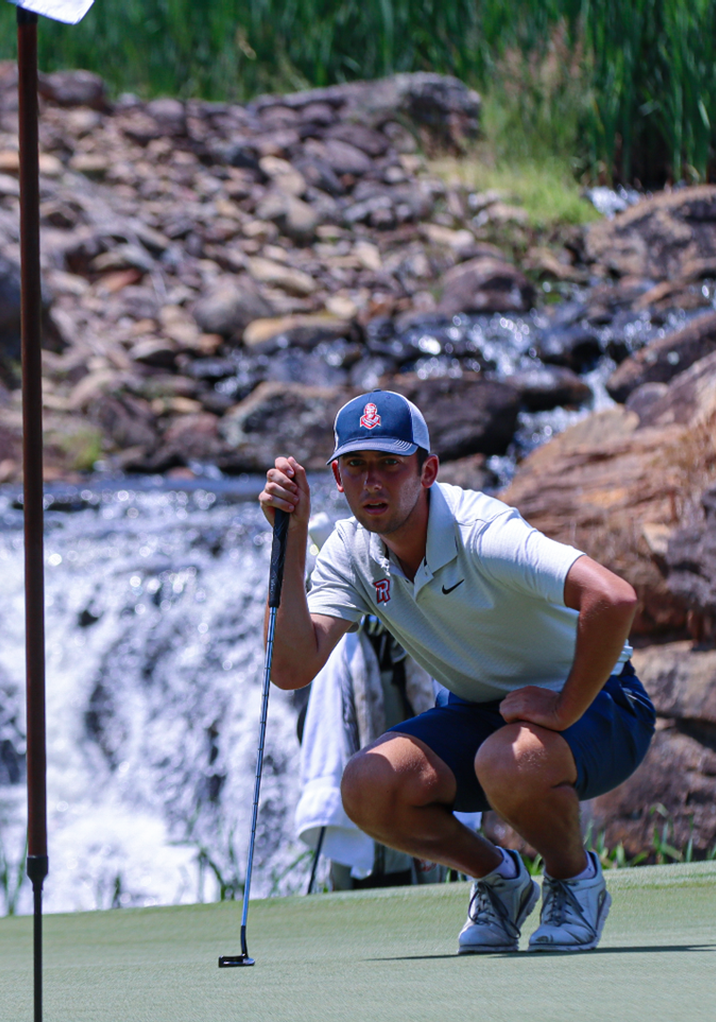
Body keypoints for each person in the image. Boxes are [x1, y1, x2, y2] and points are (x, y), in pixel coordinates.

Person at [258, 389, 652, 953]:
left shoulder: (482, 532)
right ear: (338, 479)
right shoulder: (350, 550)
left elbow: (613, 597)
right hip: (483, 716)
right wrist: (291, 538)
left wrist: (562, 707)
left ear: (428, 471)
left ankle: (575, 881)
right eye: (357, 466)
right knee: (367, 785)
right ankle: (501, 880)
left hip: (604, 705)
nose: (373, 482)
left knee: (507, 758)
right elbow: (291, 668)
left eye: (390, 464)